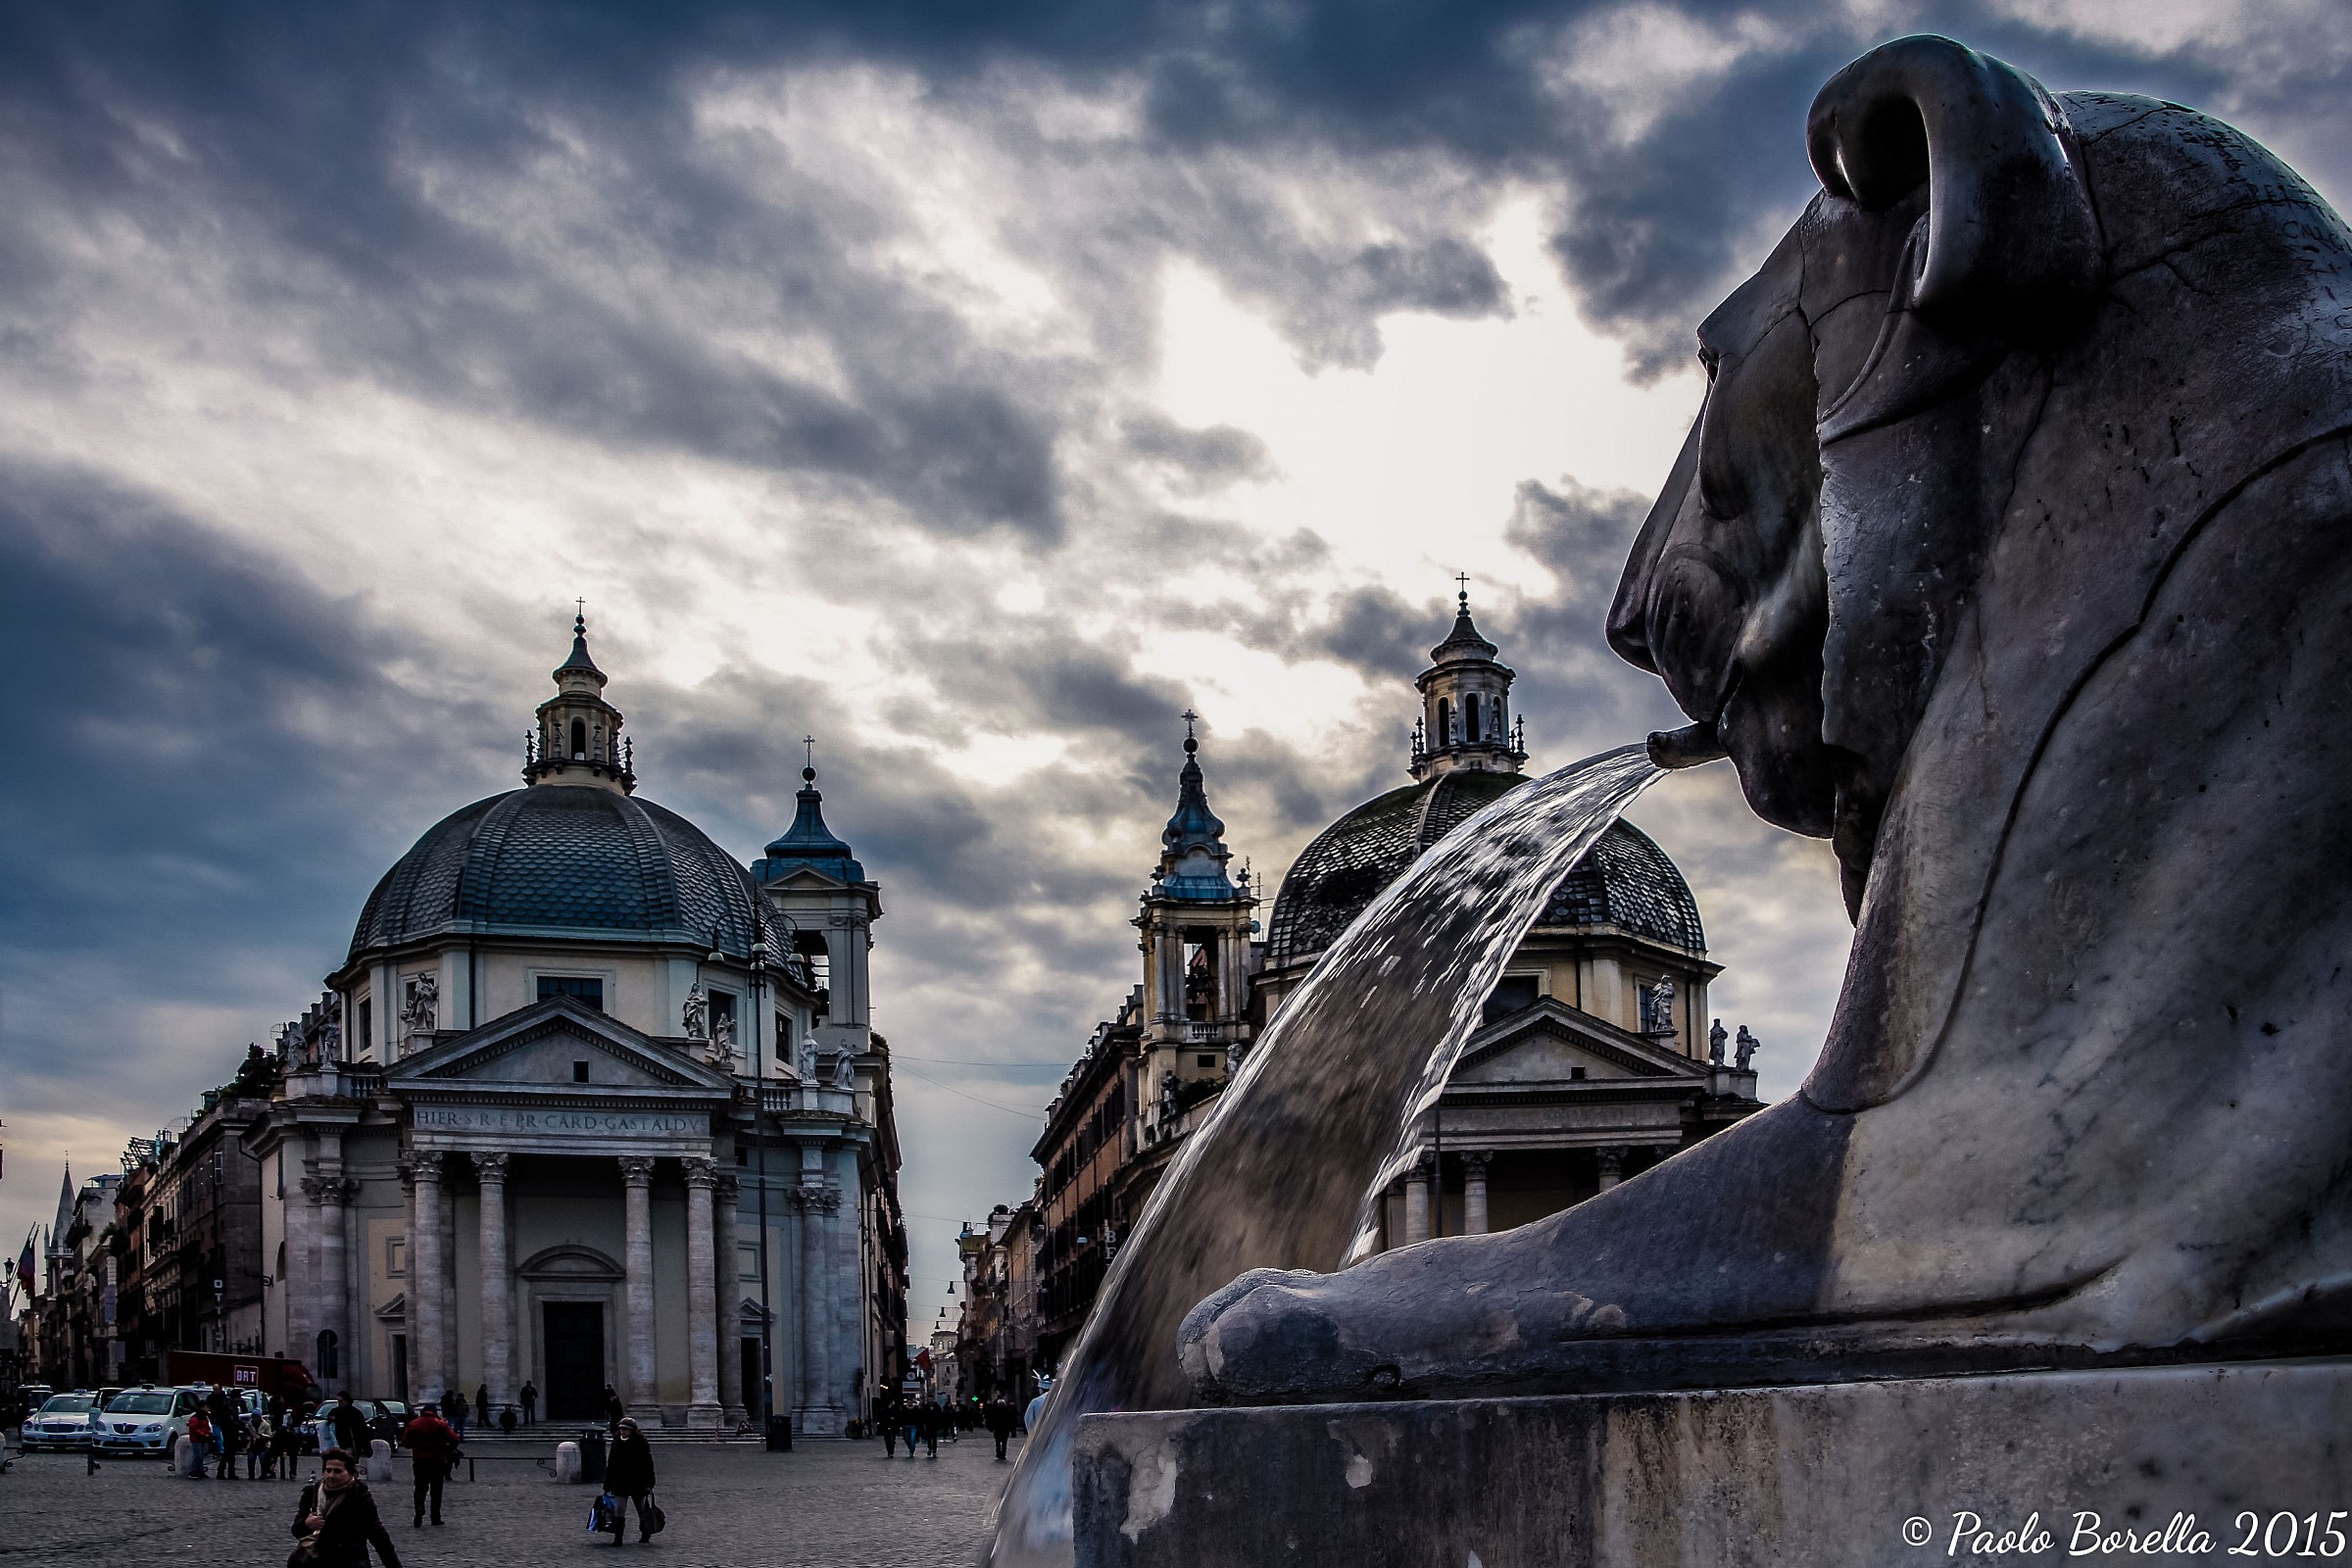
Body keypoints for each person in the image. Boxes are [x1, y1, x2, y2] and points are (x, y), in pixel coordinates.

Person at [293, 1447, 403, 1567]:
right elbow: (296, 1530)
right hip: (315, 1560)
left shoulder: (359, 1495)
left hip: (349, 1560)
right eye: (328, 1470)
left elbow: (378, 1535)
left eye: (337, 1471)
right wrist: (307, 1524)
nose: (331, 1475)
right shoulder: (312, 1493)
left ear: (350, 1473)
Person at [400, 1403, 459, 1529]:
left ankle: (419, 1509)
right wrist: (446, 1446)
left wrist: (415, 1446)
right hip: (437, 1460)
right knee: (436, 1490)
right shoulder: (440, 1424)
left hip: (420, 1460)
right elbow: (454, 1438)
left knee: (420, 1487)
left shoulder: (414, 1424)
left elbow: (405, 1442)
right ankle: (435, 1517)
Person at [601, 1416, 658, 1545]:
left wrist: (650, 1483)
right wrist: (607, 1483)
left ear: (632, 1430)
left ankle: (645, 1532)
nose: (622, 1431)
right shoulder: (616, 1442)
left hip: (638, 1482)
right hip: (620, 1481)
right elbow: (611, 1464)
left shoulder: (641, 1443)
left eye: (625, 1429)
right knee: (619, 1510)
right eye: (621, 1429)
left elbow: (648, 1464)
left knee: (641, 1509)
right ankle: (618, 1537)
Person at [329, 1393, 371, 1457]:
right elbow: (329, 1422)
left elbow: (363, 1430)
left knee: (348, 1459)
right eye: (338, 1401)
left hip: (351, 1441)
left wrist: (366, 1448)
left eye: (341, 1401)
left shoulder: (355, 1413)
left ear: (347, 1401)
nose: (339, 1403)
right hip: (338, 1441)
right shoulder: (335, 1411)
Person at [185, 1405, 215, 1478]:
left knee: (201, 1456)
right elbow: (194, 1429)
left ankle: (200, 1471)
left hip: (203, 1438)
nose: (208, 1409)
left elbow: (207, 1427)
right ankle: (193, 1471)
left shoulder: (204, 1417)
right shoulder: (195, 1418)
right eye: (206, 1407)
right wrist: (204, 1434)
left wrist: (209, 1433)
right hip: (196, 1439)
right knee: (198, 1456)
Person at [985, 1396, 1016, 1462]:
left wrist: (991, 1427)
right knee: (1004, 1443)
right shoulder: (1007, 1411)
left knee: (998, 1442)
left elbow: (992, 1420)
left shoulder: (995, 1411)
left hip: (997, 1429)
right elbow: (1010, 1420)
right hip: (1005, 1429)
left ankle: (998, 1453)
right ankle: (1003, 1454)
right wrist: (1011, 1428)